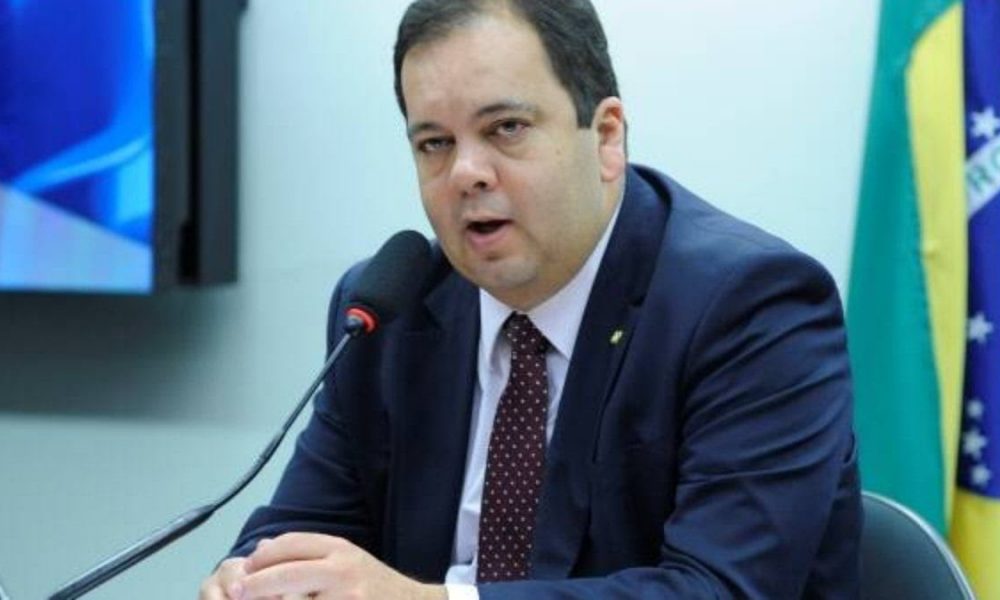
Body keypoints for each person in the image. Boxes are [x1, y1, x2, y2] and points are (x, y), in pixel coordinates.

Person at [200, 1, 861, 598]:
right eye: (435, 143)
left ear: (606, 137)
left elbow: (719, 589)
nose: (466, 173)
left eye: (506, 128)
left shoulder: (750, 307)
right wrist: (258, 580)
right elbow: (304, 529)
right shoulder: (388, 309)